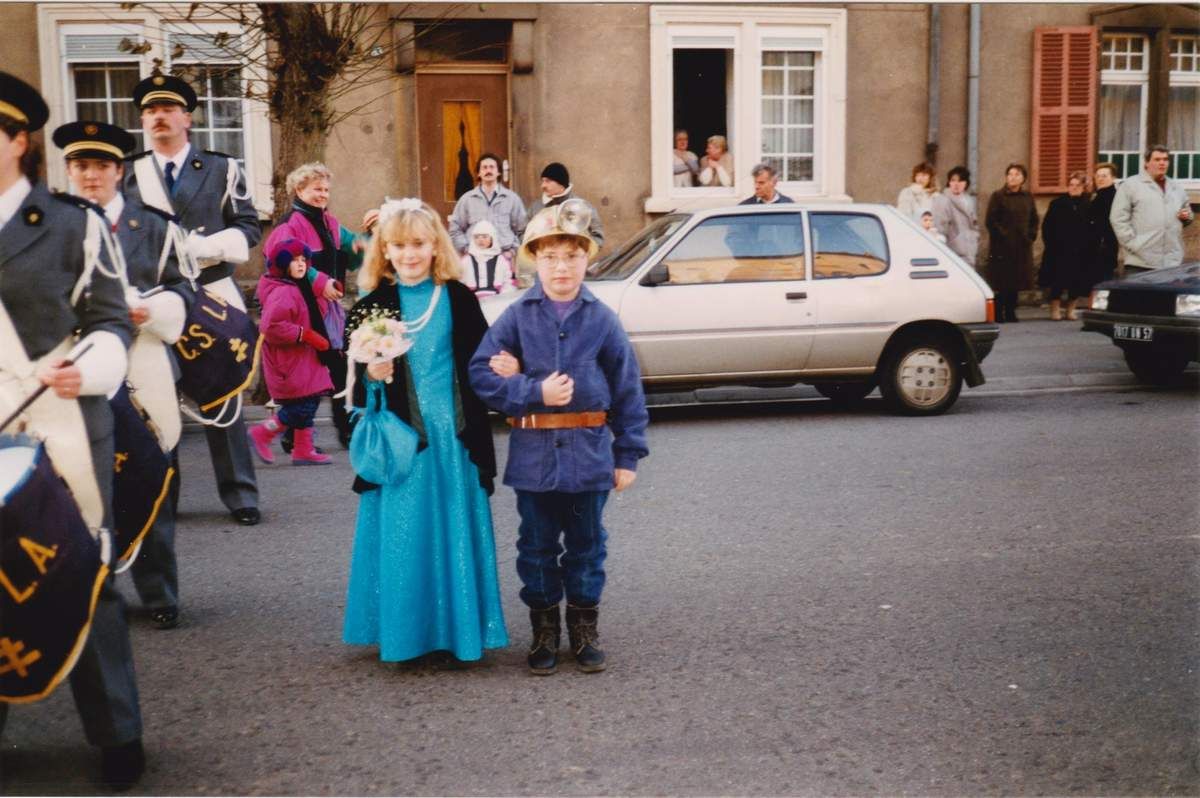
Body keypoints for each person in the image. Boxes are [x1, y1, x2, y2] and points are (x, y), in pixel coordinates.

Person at [0, 71, 145, 789]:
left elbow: (111, 319)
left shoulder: (69, 222)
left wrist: (85, 370)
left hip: (59, 417)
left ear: (17, 140)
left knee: (82, 571)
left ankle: (117, 732)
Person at [468, 199, 650, 676]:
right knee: (536, 546)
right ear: (534, 259)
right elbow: (480, 374)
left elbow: (628, 389)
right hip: (534, 459)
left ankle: (584, 628)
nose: (561, 267)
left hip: (590, 457)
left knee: (588, 545)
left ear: (587, 259)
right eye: (550, 257)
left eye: (572, 256)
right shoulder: (516, 317)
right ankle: (544, 629)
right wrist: (531, 391)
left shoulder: (603, 319)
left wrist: (628, 455)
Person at [342, 198, 508, 663]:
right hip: (404, 441)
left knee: (452, 531)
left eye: (418, 243)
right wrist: (372, 376)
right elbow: (348, 392)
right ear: (384, 250)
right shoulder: (370, 307)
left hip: (455, 437)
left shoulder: (458, 298)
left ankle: (457, 633)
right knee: (405, 535)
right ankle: (407, 636)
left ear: (436, 245)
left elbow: (483, 364)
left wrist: (510, 374)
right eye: (398, 246)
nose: (409, 254)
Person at [53, 120, 195, 632]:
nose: (90, 175)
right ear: (69, 170)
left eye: (101, 166)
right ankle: (86, 591)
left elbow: (185, 289)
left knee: (149, 475)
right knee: (74, 484)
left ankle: (159, 592)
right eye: (80, 165)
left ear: (119, 171)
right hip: (73, 368)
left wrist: (153, 310)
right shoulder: (46, 227)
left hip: (143, 366)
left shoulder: (154, 227)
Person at [122, 73, 264, 526]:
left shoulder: (222, 169)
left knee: (224, 394)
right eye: (150, 111)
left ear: (187, 117)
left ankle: (241, 494)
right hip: (155, 298)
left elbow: (248, 228)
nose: (158, 117)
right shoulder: (128, 172)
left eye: (167, 109)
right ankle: (165, 496)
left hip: (210, 291)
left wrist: (206, 246)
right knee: (155, 396)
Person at [264, 162, 365, 451]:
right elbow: (284, 263)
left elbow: (351, 248)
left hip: (327, 309)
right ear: (299, 190)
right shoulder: (288, 226)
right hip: (301, 309)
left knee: (340, 369)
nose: (323, 195)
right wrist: (322, 283)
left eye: (326, 190)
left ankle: (345, 430)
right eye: (316, 189)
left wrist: (363, 245)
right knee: (309, 374)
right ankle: (294, 436)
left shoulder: (330, 222)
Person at [248, 238, 339, 466]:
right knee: (302, 405)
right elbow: (270, 327)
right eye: (294, 260)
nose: (300, 264)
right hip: (290, 361)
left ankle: (303, 449)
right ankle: (263, 432)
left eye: (303, 260)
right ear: (282, 264)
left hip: (303, 359)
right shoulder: (284, 292)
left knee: (310, 400)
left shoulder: (298, 286)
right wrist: (305, 334)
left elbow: (313, 305)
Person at [1110, 145, 1194, 276]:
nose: (1162, 163)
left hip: (1171, 263)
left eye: (1165, 159)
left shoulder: (1177, 188)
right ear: (1147, 162)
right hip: (1140, 263)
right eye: (1157, 159)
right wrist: (1133, 244)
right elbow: (1118, 218)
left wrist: (1187, 216)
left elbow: (1188, 213)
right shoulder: (1131, 185)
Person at [447, 152, 526, 263]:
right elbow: (455, 229)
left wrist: (512, 252)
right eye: (484, 167)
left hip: (504, 257)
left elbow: (522, 230)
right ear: (479, 173)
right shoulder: (467, 199)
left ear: (498, 172)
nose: (488, 170)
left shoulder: (512, 199)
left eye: (492, 167)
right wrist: (466, 250)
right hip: (474, 258)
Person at [984, 163, 1038, 323]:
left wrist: (1030, 236)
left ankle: (1011, 311)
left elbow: (1034, 219)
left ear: (1023, 178)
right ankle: (998, 312)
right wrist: (1002, 235)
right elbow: (991, 220)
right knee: (1001, 281)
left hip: (1022, 246)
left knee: (1016, 281)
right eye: (1010, 174)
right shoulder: (998, 196)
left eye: (1017, 174)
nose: (1013, 177)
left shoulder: (1027, 197)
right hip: (1002, 247)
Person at [1038, 171, 1093, 321]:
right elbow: (1047, 227)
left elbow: (1092, 229)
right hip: (1058, 249)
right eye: (1071, 184)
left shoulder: (1089, 205)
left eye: (1077, 185)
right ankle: (1055, 310)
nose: (1074, 187)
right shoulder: (1057, 203)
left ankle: (1070, 310)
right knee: (1057, 281)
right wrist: (1051, 244)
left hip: (1080, 250)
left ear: (1084, 187)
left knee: (1076, 282)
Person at [931, 165, 980, 269]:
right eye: (953, 180)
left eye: (960, 181)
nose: (956, 184)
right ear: (949, 182)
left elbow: (974, 224)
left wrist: (975, 238)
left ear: (966, 183)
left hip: (969, 251)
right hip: (953, 252)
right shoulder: (942, 200)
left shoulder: (968, 200)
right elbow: (939, 228)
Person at [460, 219, 517, 297]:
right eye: (476, 237)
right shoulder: (466, 261)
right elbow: (461, 282)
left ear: (492, 238)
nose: (480, 240)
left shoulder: (501, 260)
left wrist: (503, 295)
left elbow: (508, 281)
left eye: (484, 237)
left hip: (497, 299)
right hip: (472, 299)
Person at [1088, 163, 1120, 289]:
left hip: (1105, 246)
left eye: (1104, 176)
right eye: (1098, 176)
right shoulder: (1098, 195)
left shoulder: (1114, 197)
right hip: (1094, 246)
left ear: (1113, 178)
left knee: (1103, 284)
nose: (1100, 179)